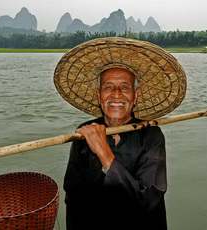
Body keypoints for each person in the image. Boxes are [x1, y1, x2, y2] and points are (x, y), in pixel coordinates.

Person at [53, 37, 187, 229]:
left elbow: (148, 200)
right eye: (108, 87)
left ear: (135, 96)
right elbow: (73, 196)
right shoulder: (84, 133)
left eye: (125, 87)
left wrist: (105, 154)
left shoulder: (151, 135)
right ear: (99, 96)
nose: (116, 94)